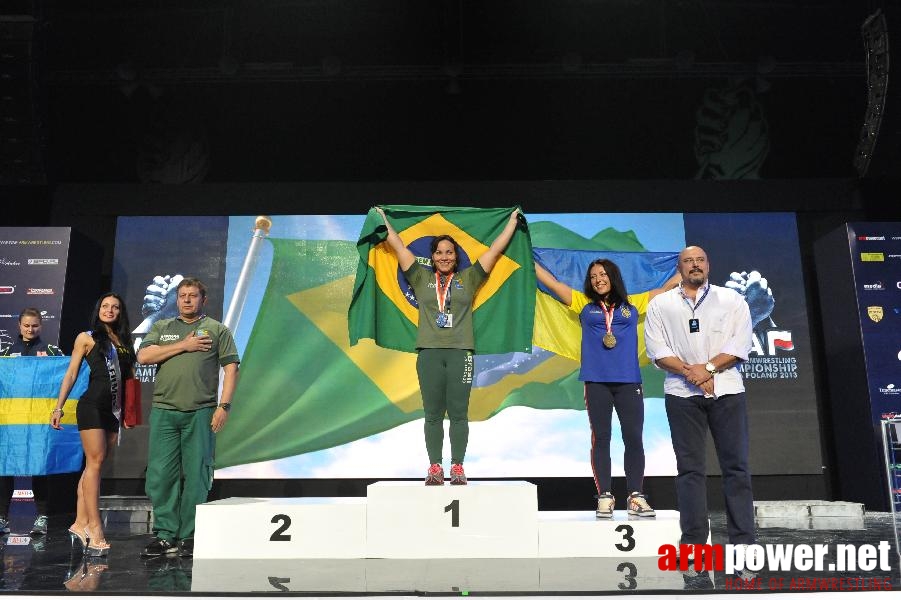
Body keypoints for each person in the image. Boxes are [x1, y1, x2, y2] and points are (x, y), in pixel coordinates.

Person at [375, 207, 520, 485]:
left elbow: (494, 250)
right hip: (429, 354)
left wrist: (511, 223)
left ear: (456, 257)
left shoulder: (470, 278)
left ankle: (457, 467)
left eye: (449, 252)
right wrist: (382, 220)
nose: (444, 257)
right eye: (439, 252)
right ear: (432, 257)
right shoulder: (420, 278)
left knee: (458, 413)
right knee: (432, 414)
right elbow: (397, 246)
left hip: (461, 353)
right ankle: (434, 468)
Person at [535, 260, 678, 518]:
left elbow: (668, 288)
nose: (598, 279)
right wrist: (525, 256)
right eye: (593, 276)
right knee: (601, 439)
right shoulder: (582, 303)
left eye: (602, 274)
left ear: (613, 276)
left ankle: (635, 496)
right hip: (596, 382)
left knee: (633, 439)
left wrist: (686, 267)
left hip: (628, 381)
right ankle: (605, 497)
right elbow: (553, 284)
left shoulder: (634, 303)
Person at [643, 245, 755, 548]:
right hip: (681, 394)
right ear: (679, 267)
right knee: (690, 470)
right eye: (688, 261)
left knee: (736, 468)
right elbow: (657, 349)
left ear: (708, 265)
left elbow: (740, 344)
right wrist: (692, 374)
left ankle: (743, 542)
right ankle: (693, 543)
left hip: (727, 391)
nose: (695, 265)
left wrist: (706, 370)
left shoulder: (732, 300)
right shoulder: (661, 304)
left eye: (700, 260)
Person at [137, 277, 239, 559]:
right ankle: (165, 534)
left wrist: (224, 406)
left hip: (201, 411)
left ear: (202, 299)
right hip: (165, 411)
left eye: (193, 295)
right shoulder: (163, 327)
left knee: (196, 475)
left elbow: (231, 369)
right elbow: (144, 357)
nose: (186, 300)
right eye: (182, 295)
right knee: (161, 475)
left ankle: (190, 535)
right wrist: (184, 345)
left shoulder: (217, 329)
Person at [51, 294, 136, 557]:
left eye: (115, 307)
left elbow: (130, 379)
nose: (110, 310)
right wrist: (58, 406)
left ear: (121, 312)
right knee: (95, 464)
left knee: (93, 467)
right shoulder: (86, 337)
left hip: (113, 410)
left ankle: (79, 523)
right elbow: (72, 373)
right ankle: (95, 528)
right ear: (98, 310)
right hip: (91, 407)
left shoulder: (123, 341)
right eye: (105, 306)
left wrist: (130, 413)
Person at [0, 308, 64, 537]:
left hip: (39, 421)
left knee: (40, 468)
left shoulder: (52, 352)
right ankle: (1, 517)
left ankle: (42, 517)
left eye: (34, 325)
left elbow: (64, 382)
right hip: (12, 420)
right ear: (19, 326)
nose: (30, 329)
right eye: (26, 326)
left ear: (41, 326)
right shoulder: (5, 352)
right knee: (6, 467)